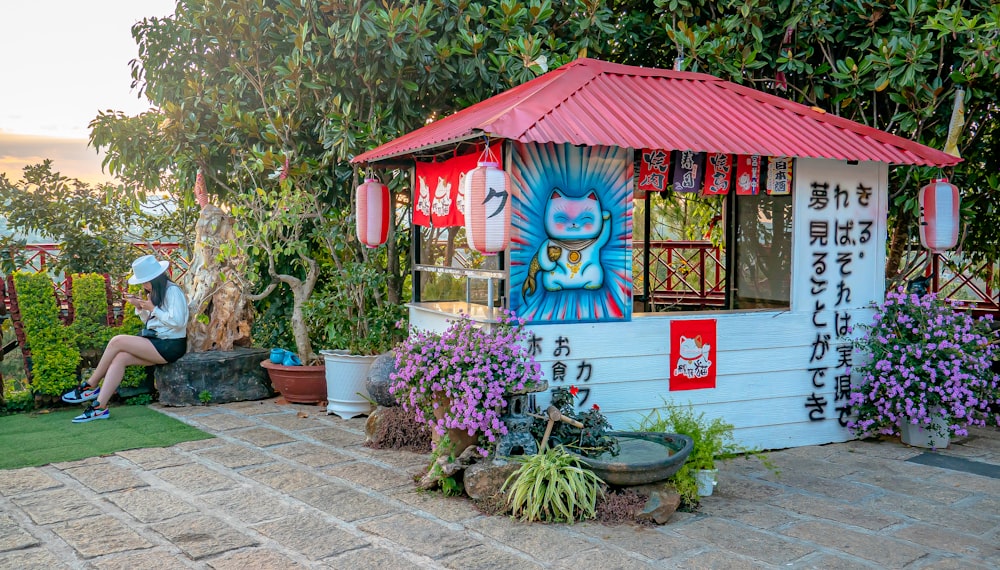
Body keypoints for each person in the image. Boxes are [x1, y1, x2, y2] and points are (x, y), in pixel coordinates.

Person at [61, 255, 188, 422]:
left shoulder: (172, 291)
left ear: (155, 278)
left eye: (145, 282)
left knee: (117, 341)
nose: (144, 286)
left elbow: (178, 323)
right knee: (120, 358)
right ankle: (99, 407)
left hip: (171, 345)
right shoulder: (157, 292)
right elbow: (152, 323)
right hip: (157, 341)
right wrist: (141, 308)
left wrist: (154, 309)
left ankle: (90, 385)